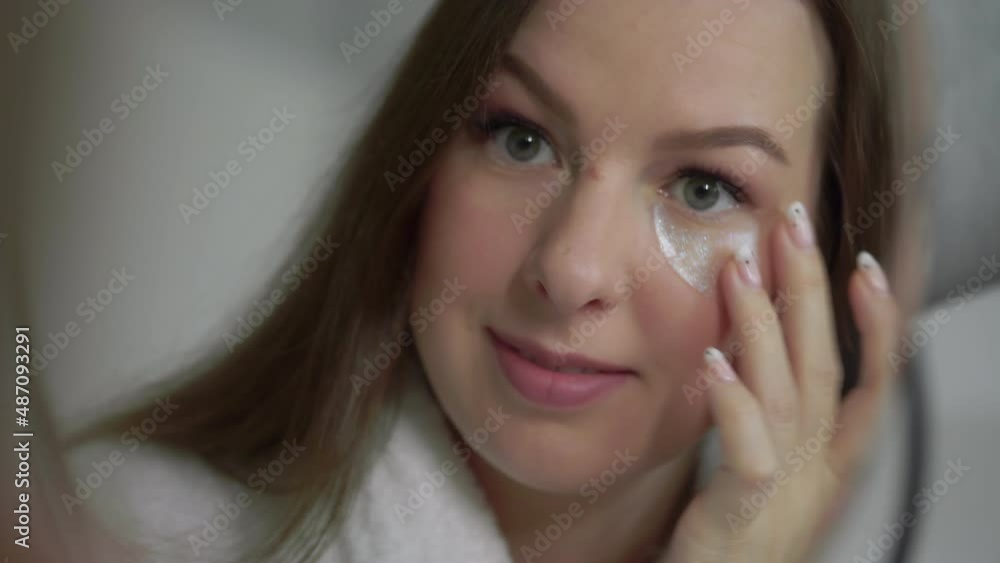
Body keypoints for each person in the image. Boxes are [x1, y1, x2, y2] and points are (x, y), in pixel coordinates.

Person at [68, 0, 916, 561]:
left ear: (829, 269)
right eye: (520, 137)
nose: (571, 268)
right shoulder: (118, 534)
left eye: (703, 188)